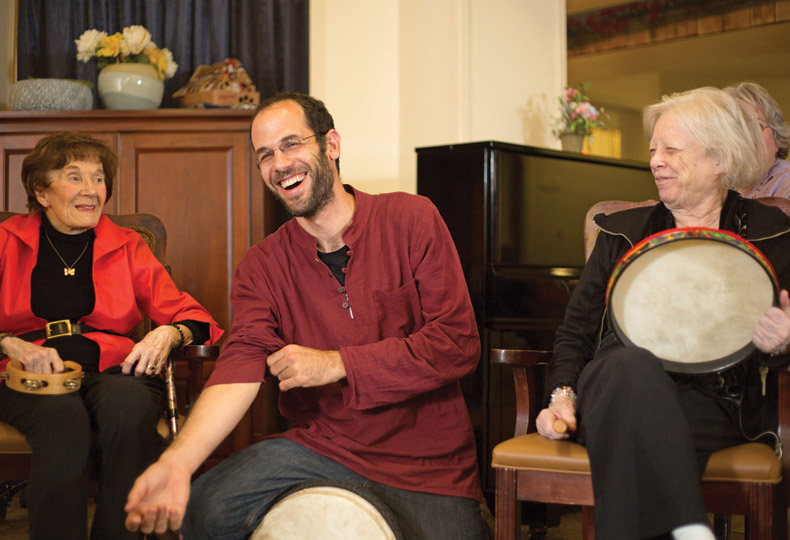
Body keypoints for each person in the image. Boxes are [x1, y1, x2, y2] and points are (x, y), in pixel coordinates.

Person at [124, 93, 486, 539]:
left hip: (429, 464)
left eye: (291, 144)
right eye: (265, 155)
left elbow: (457, 344)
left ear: (331, 144)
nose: (279, 164)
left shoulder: (412, 218)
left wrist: (336, 363)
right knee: (203, 510)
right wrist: (178, 462)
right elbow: (239, 366)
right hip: (321, 450)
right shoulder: (261, 265)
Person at [535, 87, 790, 540]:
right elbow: (575, 333)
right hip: (611, 383)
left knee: (638, 430)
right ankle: (688, 527)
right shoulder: (620, 232)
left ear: (720, 160)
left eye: (672, 149)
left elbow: (781, 341)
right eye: (653, 150)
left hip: (714, 400)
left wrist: (781, 344)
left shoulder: (772, 233)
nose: (656, 161)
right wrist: (561, 395)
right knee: (632, 366)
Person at [0, 131, 222, 540]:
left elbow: (193, 316)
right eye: (74, 177)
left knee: (129, 408)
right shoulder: (6, 240)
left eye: (98, 178)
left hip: (114, 369)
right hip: (28, 373)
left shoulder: (127, 246)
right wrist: (8, 342)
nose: (91, 189)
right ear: (41, 192)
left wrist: (168, 333)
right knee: (62, 418)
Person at [724, 81, 790, 198]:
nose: (748, 137)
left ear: (777, 137)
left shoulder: (786, 183)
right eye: (737, 128)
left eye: (758, 127)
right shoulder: (722, 185)